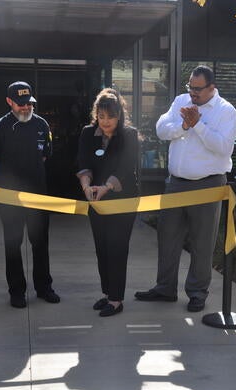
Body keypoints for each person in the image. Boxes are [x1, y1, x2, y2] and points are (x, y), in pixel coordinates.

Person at [135, 65, 236, 312]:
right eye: (190, 87)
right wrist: (182, 126)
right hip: (176, 182)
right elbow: (161, 129)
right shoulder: (181, 100)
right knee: (167, 237)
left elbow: (224, 147)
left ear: (212, 88)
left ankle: (197, 293)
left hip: (209, 184)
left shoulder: (225, 110)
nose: (192, 93)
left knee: (202, 242)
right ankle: (164, 288)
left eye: (198, 89)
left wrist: (198, 125)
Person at [0, 81, 60, 309]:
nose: (26, 108)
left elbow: (45, 155)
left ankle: (44, 287)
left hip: (38, 194)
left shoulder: (42, 124)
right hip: (10, 197)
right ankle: (17, 291)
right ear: (9, 102)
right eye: (21, 104)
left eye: (29, 104)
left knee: (40, 242)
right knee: (13, 243)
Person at [76, 88, 140, 317]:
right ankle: (107, 293)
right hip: (96, 199)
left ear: (119, 115)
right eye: (101, 117)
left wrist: (106, 187)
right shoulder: (87, 133)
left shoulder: (129, 135)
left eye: (110, 117)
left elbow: (126, 167)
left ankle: (116, 299)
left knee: (116, 248)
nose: (105, 122)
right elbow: (83, 162)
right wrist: (86, 185)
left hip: (122, 200)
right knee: (101, 247)